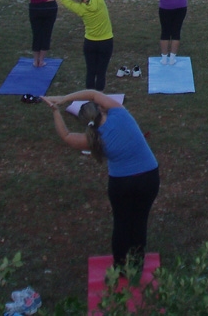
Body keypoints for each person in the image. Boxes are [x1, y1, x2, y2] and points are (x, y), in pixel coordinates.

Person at [42, 90, 160, 265]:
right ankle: (136, 266)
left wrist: (55, 110)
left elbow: (66, 136)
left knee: (121, 224)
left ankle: (120, 267)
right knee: (139, 222)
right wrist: (64, 98)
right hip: (149, 178)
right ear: (101, 109)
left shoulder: (94, 139)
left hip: (121, 184)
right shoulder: (119, 112)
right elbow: (93, 93)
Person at [56, 0, 114, 91]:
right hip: (106, 41)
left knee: (91, 71)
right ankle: (99, 97)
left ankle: (89, 97)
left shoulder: (80, 8)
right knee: (101, 72)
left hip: (90, 43)